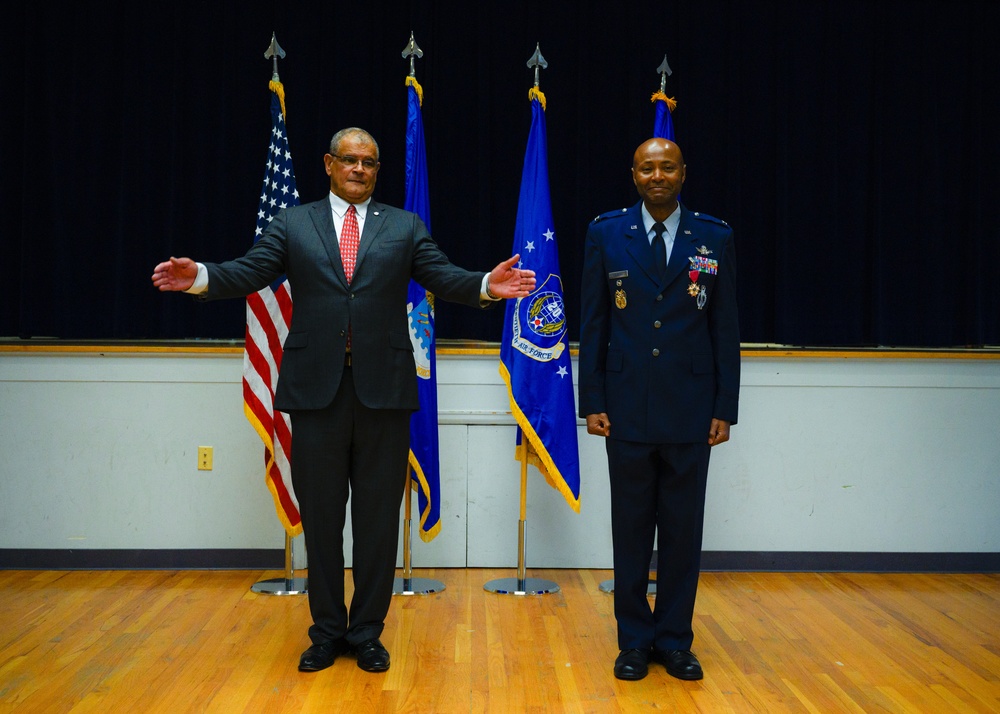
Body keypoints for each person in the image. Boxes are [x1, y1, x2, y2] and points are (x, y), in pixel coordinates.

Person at [152, 127, 536, 674]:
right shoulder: (293, 222)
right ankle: (327, 631)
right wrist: (201, 278)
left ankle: (368, 633)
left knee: (379, 521)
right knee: (324, 519)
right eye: (350, 160)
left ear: (377, 171)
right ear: (329, 164)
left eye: (369, 162)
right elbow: (250, 270)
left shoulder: (403, 226)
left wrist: (482, 286)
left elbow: (441, 274)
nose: (359, 168)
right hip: (317, 395)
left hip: (384, 394)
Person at [577, 137, 740, 681]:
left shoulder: (714, 237)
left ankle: (674, 640)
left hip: (692, 411)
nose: (657, 176)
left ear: (683, 173)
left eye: (667, 167)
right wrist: (592, 400)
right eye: (647, 168)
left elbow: (726, 330)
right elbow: (594, 324)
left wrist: (725, 406)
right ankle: (633, 641)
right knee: (630, 529)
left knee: (681, 532)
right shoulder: (607, 233)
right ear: (633, 174)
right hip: (623, 409)